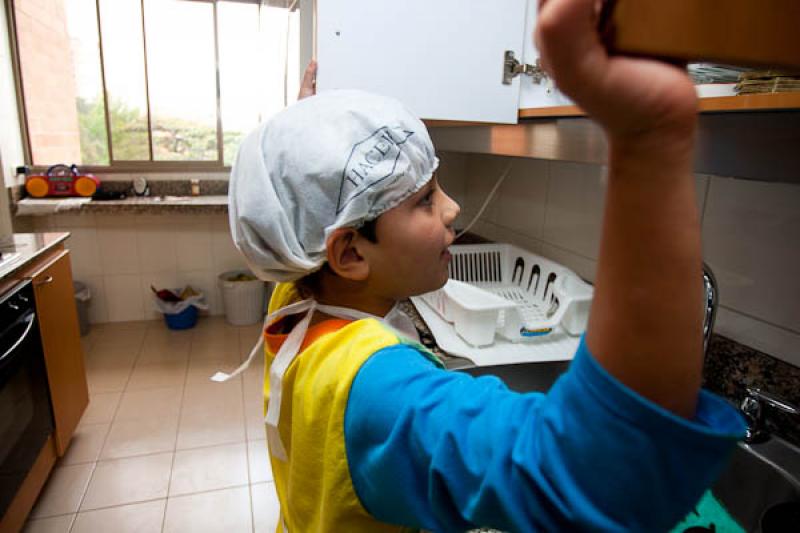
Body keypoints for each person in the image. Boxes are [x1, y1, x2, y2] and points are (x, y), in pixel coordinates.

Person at [227, 0, 746, 530]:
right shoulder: (382, 393)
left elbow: (301, 215)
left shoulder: (297, 296)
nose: (452, 209)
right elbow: (600, 477)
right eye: (424, 201)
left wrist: (306, 142)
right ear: (351, 254)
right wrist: (648, 136)